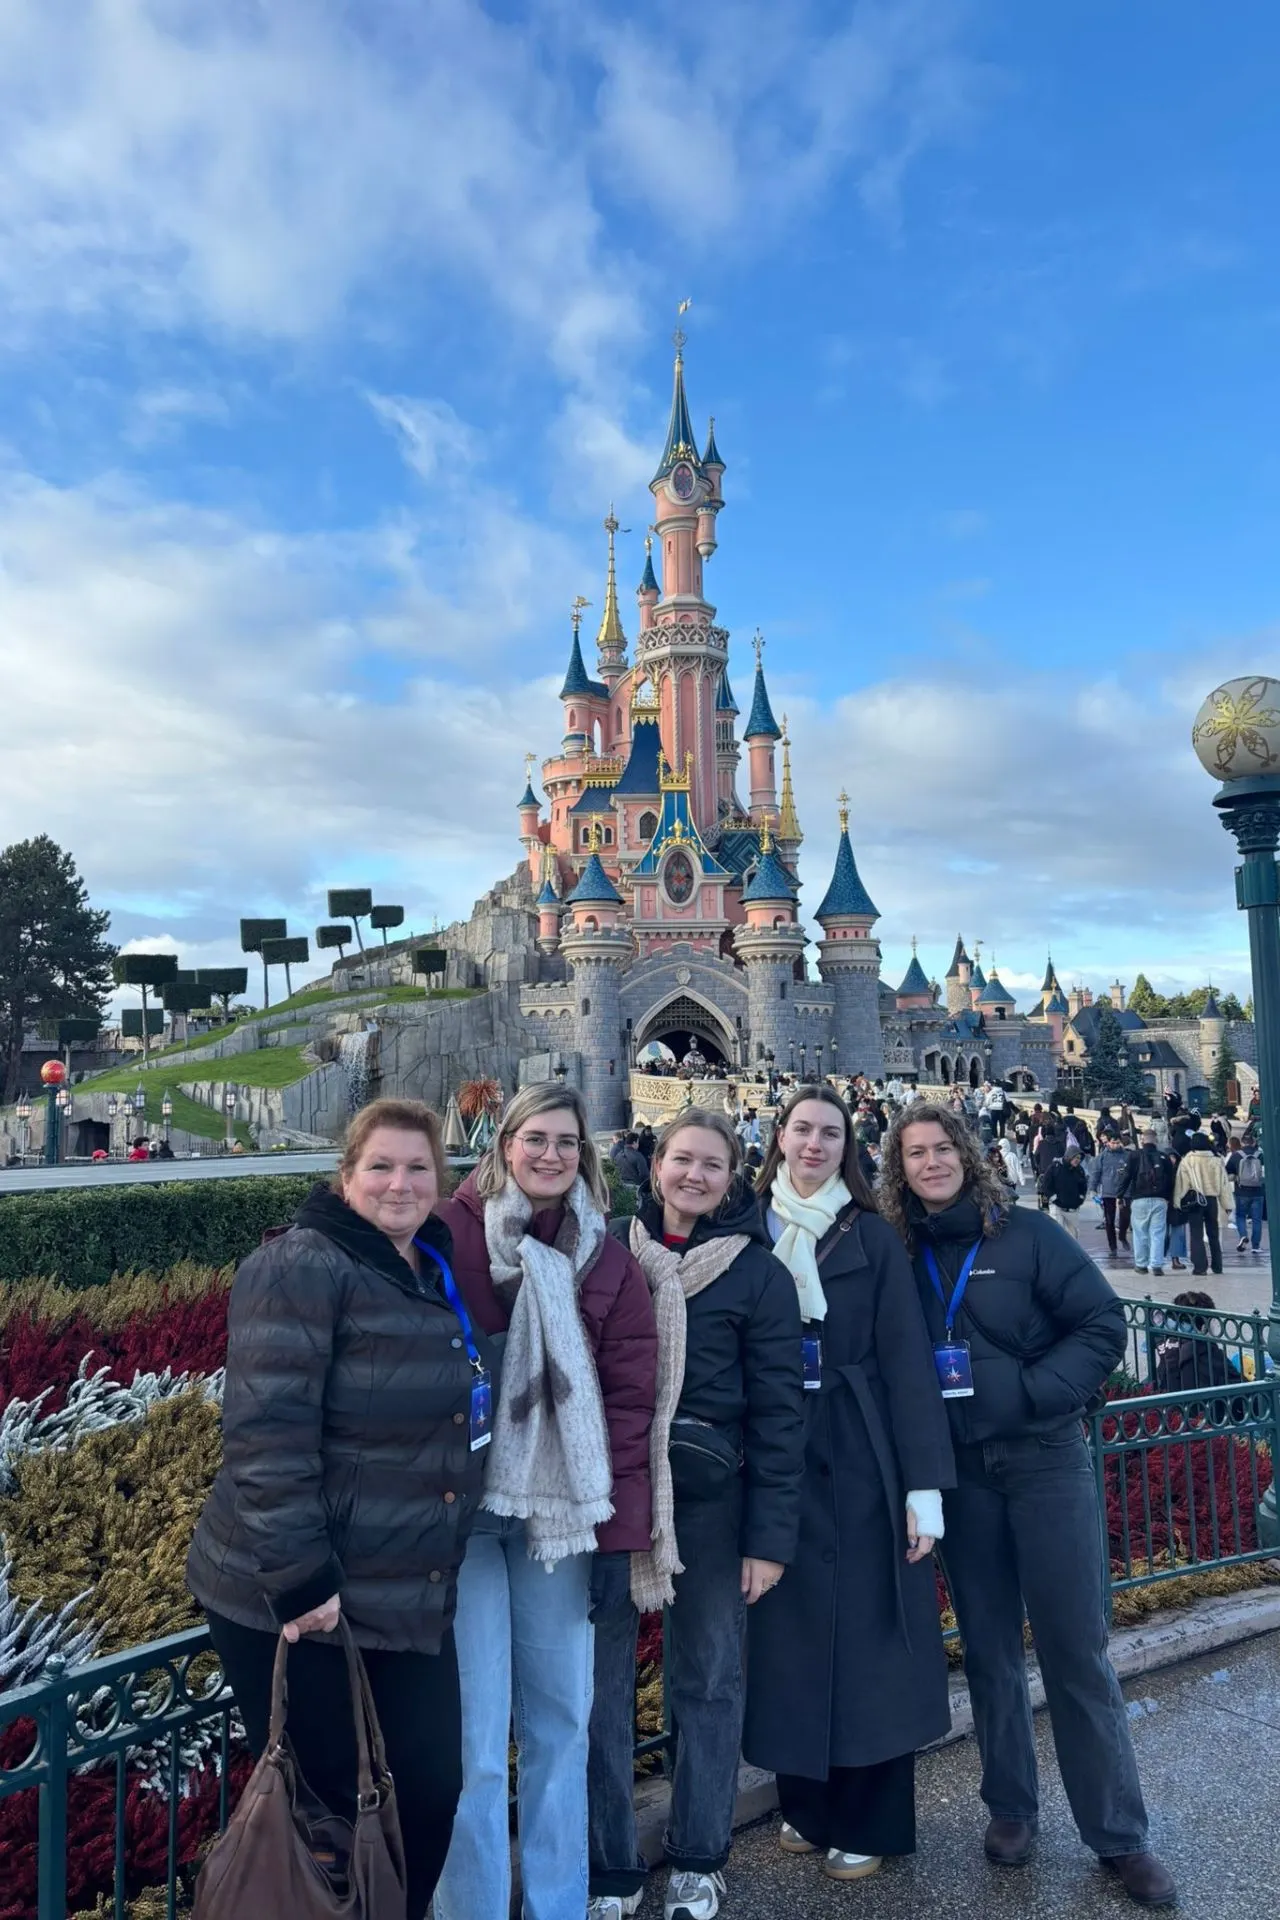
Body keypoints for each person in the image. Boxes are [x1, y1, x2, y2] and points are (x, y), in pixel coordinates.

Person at [186, 1099, 486, 1918]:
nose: (400, 1183)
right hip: (301, 1602)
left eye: (418, 1167)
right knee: (327, 1823)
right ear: (346, 1176)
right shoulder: (298, 1265)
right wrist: (301, 1582)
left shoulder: (429, 1265)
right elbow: (266, 1436)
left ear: (441, 1179)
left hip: (406, 1592)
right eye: (380, 1166)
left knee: (428, 1792)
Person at [877, 1102, 1176, 1910]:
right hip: (963, 1473)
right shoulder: (898, 1253)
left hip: (1044, 1461)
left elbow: (1102, 1324)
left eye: (943, 1147)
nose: (931, 1162)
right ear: (899, 1169)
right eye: (915, 1153)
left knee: (1076, 1648)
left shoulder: (1029, 1236)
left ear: (967, 1154)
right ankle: (1011, 1805)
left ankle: (1120, 1833)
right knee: (989, 1650)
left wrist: (1037, 1393)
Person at [434, 1085, 657, 1920]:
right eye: (536, 1139)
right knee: (475, 1739)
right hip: (463, 1519)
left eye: (567, 1142)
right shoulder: (445, 1233)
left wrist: (619, 1541)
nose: (551, 1155)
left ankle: (558, 1904)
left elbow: (629, 1409)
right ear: (505, 1144)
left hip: (557, 1520)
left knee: (563, 1721)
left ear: (585, 1155)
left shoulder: (607, 1259)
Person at [588, 1110, 804, 1920]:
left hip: (712, 1503)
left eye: (713, 1164)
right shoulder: (608, 1254)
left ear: (732, 1178)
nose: (695, 1175)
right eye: (683, 1159)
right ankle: (611, 1868)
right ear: (657, 1166)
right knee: (602, 1686)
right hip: (613, 1492)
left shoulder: (758, 1275)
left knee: (708, 1680)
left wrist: (769, 1541)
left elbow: (781, 1416)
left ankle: (699, 1857)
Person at [744, 1087, 954, 1884]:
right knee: (788, 1636)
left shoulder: (871, 1235)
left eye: (829, 1133)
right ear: (779, 1136)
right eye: (801, 1129)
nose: (813, 1144)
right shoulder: (745, 1227)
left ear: (847, 1147)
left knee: (870, 1639)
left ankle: (869, 1819)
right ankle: (806, 1806)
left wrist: (923, 1486)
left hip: (863, 1455)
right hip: (776, 1454)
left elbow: (907, 1361)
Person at [1152, 1291, 1240, 1397]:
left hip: (1171, 1403)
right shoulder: (1207, 1351)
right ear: (1204, 1326)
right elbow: (1239, 1385)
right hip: (1203, 1405)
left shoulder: (1165, 1345)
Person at [1172, 1131, 1233, 1278]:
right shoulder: (1217, 1159)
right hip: (1212, 1200)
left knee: (1196, 1234)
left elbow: (1182, 1184)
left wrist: (1177, 1202)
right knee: (1213, 1234)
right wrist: (1227, 1205)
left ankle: (1200, 1267)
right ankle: (1217, 1265)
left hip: (1195, 1200)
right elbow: (1224, 1184)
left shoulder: (1188, 1160)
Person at [1119, 1127, 1176, 1276]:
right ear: (1155, 1140)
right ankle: (1156, 1265)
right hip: (1160, 1199)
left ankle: (1141, 1264)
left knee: (1140, 1233)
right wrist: (1168, 1198)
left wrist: (1120, 1195)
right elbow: (1171, 1180)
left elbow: (1127, 1176)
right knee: (1158, 1233)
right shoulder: (1163, 1157)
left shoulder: (1134, 1155)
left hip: (1139, 1198)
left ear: (1142, 1140)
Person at [1088, 1132, 1136, 1258]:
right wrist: (1093, 1189)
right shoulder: (1102, 1157)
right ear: (1108, 1142)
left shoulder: (1127, 1156)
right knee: (1109, 1220)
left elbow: (1133, 1173)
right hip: (1108, 1192)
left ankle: (1122, 1236)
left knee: (1125, 1217)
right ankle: (1113, 1247)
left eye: (1117, 1143)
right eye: (1113, 1143)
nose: (1115, 1145)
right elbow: (1095, 1173)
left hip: (1124, 1192)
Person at [1036, 1141, 1088, 1237]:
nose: (1077, 1160)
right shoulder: (1055, 1167)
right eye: (1076, 1158)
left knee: (1073, 1235)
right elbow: (1046, 1185)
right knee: (1057, 1233)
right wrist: (1054, 1198)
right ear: (1069, 1156)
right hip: (1057, 1207)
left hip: (1073, 1208)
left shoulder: (1079, 1170)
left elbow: (1083, 1186)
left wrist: (1080, 1199)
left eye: (1079, 1158)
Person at [1226, 1135, 1265, 1253]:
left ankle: (1243, 1235)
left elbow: (1227, 1172)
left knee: (1240, 1216)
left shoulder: (1236, 1155)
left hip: (1241, 1191)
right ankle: (1256, 1246)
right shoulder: (1260, 1155)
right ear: (1254, 1143)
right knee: (1257, 1219)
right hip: (1258, 1191)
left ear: (1242, 1143)